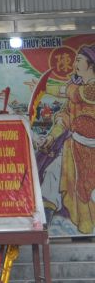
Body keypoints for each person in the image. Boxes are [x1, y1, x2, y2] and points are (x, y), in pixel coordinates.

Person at [40, 45, 95, 234]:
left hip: (92, 151)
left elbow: (73, 93)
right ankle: (45, 227)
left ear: (90, 65)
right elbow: (64, 118)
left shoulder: (90, 89)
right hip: (73, 147)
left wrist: (44, 87)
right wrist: (50, 137)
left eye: (79, 60)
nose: (75, 64)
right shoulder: (77, 89)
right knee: (51, 175)